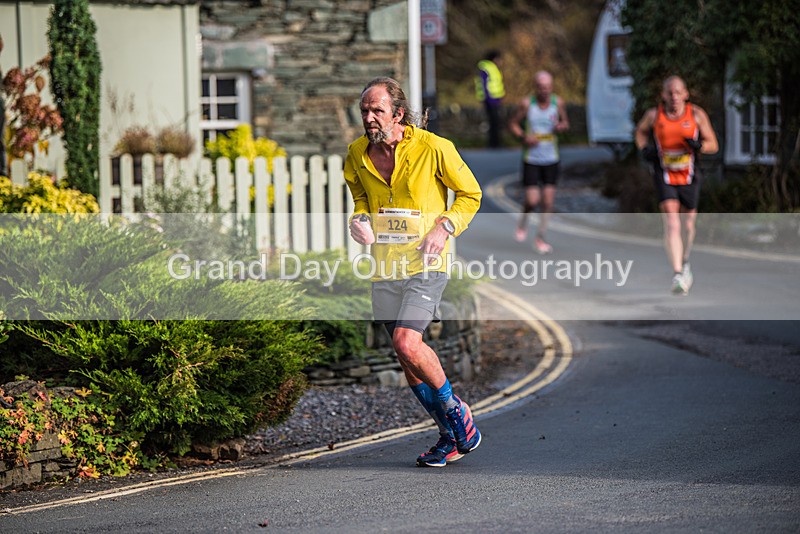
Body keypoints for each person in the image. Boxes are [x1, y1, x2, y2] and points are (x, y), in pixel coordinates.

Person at [344, 77, 483, 468]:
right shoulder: (357, 153)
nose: (370, 118)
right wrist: (358, 220)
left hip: (426, 263)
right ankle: (449, 437)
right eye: (365, 112)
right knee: (408, 361)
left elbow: (471, 194)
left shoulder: (434, 148)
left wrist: (445, 226)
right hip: (385, 266)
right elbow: (359, 198)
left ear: (398, 113)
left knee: (407, 342)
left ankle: (459, 416)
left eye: (377, 111)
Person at [634, 75, 718, 295]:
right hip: (665, 175)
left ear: (686, 94)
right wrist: (645, 149)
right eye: (669, 93)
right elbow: (640, 132)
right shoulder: (654, 116)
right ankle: (678, 273)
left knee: (688, 225)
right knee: (672, 223)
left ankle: (685, 260)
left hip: (689, 175)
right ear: (663, 95)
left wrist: (699, 146)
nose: (673, 97)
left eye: (678, 92)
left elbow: (713, 145)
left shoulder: (697, 115)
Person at [508, 70, 569, 254]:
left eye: (548, 87)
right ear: (536, 87)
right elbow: (513, 124)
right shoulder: (527, 104)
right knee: (532, 200)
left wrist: (562, 126)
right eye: (541, 87)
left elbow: (566, 122)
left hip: (551, 158)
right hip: (532, 159)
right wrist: (524, 136)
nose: (545, 91)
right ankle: (523, 221)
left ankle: (540, 237)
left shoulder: (558, 102)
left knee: (548, 202)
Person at [475, 50, 506, 149]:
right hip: (491, 100)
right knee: (494, 122)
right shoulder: (487, 68)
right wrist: (488, 98)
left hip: (495, 99)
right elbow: (484, 84)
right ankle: (494, 143)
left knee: (495, 122)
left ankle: (495, 143)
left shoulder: (491, 68)